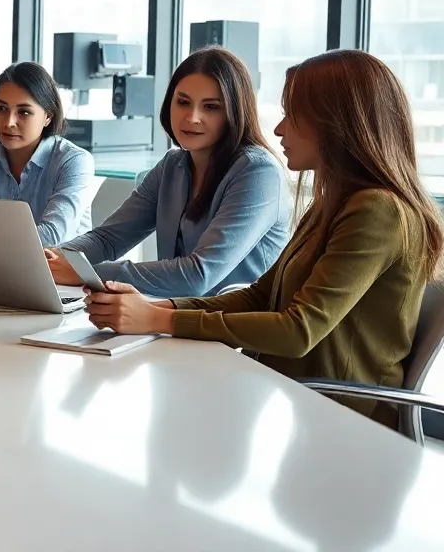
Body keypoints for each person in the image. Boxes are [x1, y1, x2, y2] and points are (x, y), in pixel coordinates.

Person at [84, 50, 443, 428]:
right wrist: (161, 309)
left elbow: (298, 330)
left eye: (293, 115)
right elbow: (261, 296)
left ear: (337, 123)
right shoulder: (332, 205)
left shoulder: (377, 211)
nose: (279, 129)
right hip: (295, 399)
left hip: (345, 421)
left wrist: (159, 318)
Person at [47, 47, 290, 297]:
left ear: (234, 112)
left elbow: (198, 275)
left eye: (211, 107)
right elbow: (108, 239)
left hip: (236, 329)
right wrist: (50, 259)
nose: (192, 117)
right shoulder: (172, 166)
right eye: (183, 102)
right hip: (176, 319)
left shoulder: (258, 172)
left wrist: (87, 273)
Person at [0, 62, 94, 247]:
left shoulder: (73, 161)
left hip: (63, 273)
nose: (9, 122)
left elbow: (53, 236)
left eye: (24, 112)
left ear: (48, 116)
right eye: (1, 108)